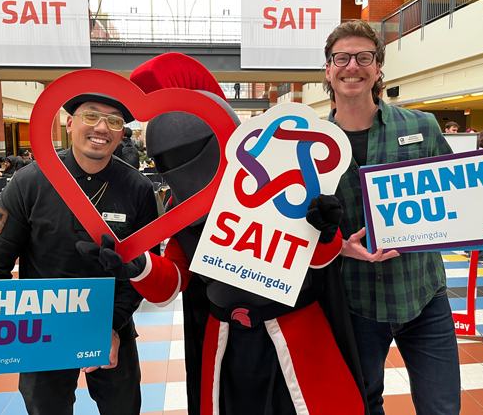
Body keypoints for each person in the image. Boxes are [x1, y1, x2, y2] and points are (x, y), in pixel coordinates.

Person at [77, 53, 366, 415]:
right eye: (170, 159)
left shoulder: (276, 179)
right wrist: (139, 265)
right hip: (225, 339)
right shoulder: (179, 209)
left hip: (294, 328)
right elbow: (175, 280)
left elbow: (317, 258)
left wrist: (323, 230)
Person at [321, 20, 483, 415]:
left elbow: (461, 192)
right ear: (328, 69)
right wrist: (341, 248)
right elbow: (299, 226)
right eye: (342, 58)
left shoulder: (420, 126)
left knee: (441, 408)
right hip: (355, 300)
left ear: (378, 68)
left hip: (423, 295)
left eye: (364, 57)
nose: (352, 65)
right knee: (362, 404)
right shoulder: (311, 142)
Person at [0, 93, 160, 415]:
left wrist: (113, 328)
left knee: (122, 408)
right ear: (70, 123)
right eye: (91, 116)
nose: (101, 127)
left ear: (120, 133)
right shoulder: (30, 181)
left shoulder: (137, 188)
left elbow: (142, 272)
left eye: (114, 121)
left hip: (109, 324)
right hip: (41, 328)